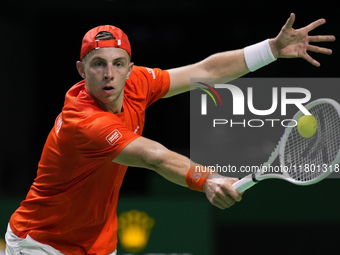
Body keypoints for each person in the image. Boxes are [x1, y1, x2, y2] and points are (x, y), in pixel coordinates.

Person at [5, 13, 335, 255]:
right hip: (41, 242)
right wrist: (208, 179)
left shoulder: (137, 84)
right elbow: (155, 157)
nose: (109, 75)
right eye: (98, 64)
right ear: (81, 69)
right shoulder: (84, 122)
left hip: (96, 244)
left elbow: (206, 71)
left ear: (130, 68)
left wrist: (271, 50)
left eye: (118, 64)